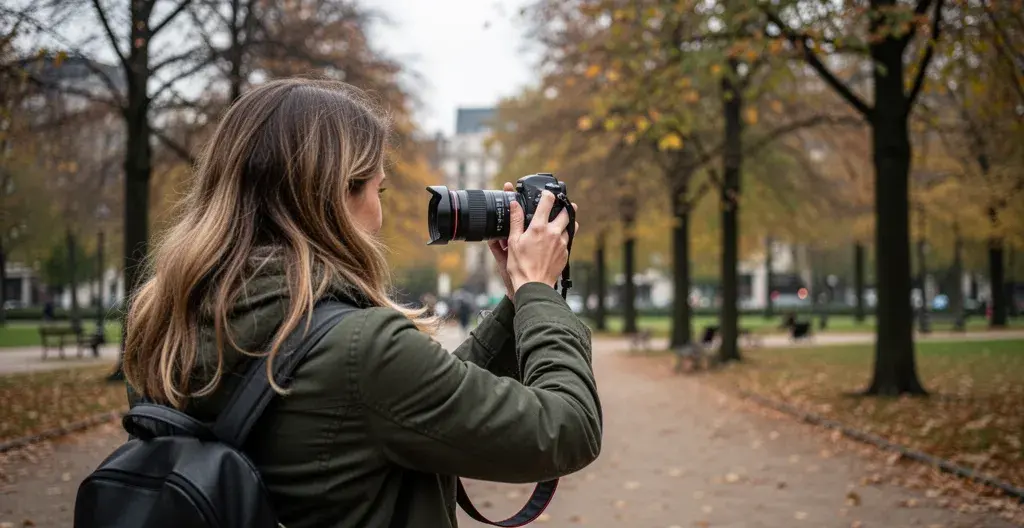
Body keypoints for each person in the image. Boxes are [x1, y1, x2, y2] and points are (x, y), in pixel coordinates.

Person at [121, 78, 600, 528]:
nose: (380, 214)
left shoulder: (164, 320)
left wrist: (516, 298)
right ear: (331, 196)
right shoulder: (359, 349)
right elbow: (566, 428)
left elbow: (406, 401)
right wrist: (539, 289)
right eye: (378, 189)